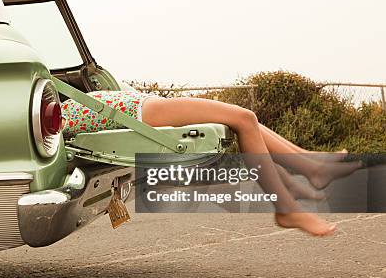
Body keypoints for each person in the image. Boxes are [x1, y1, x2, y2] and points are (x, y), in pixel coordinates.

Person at [61, 90, 362, 237]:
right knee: (244, 118)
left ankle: (312, 166)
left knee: (245, 120)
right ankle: (289, 207)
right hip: (113, 109)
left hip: (114, 103)